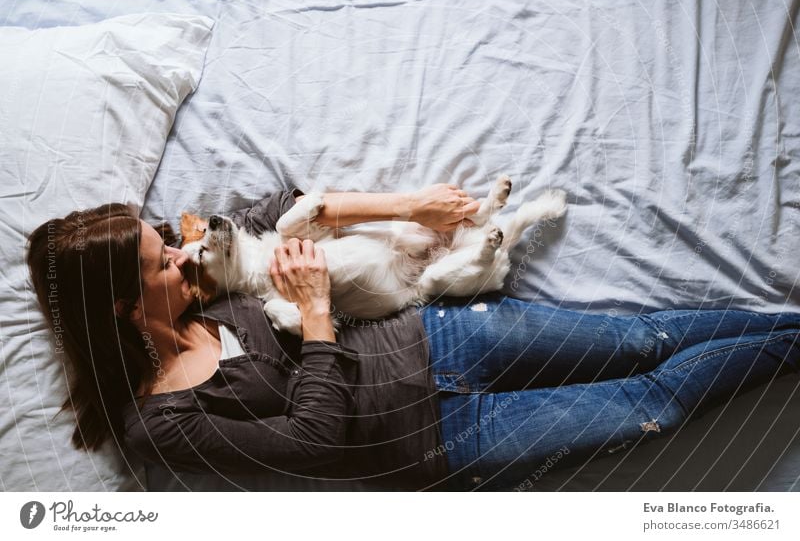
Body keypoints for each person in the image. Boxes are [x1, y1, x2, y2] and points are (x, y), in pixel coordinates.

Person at [26, 185, 800, 491]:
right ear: (130, 311)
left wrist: (414, 206)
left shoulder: (198, 288)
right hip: (435, 441)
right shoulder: (160, 428)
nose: (183, 250)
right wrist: (318, 312)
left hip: (432, 336)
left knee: (644, 337)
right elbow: (319, 443)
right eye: (163, 260)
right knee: (651, 402)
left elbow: (274, 207)